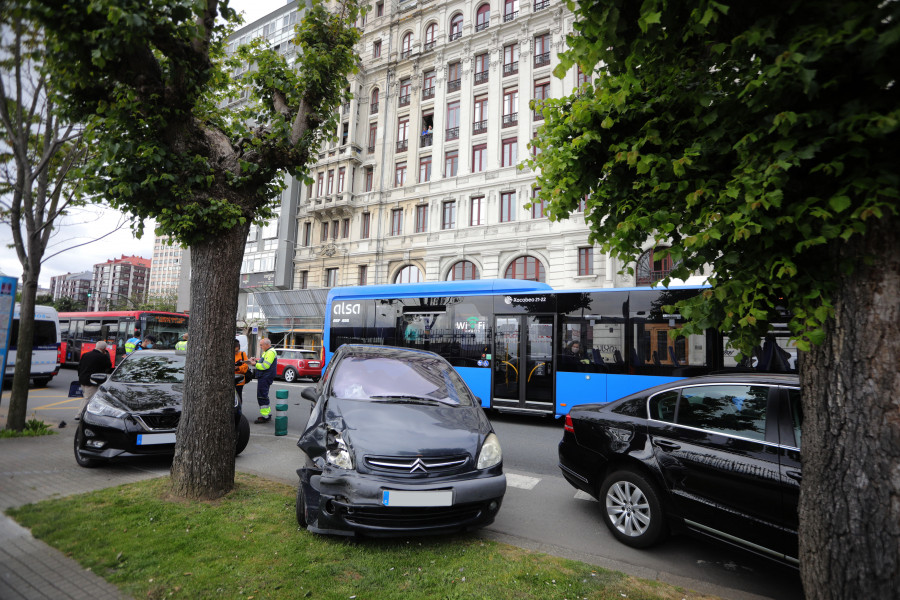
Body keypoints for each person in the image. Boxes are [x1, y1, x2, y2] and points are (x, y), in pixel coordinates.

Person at [77, 341, 113, 419]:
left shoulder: (85, 354)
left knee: (86, 397)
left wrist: (80, 377)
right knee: (88, 398)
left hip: (82, 380)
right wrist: (107, 356)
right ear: (104, 349)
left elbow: (79, 367)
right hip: (92, 381)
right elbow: (109, 366)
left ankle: (84, 413)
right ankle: (80, 414)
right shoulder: (102, 357)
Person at [249, 338, 278, 423]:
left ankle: (265, 416)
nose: (260, 347)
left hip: (265, 377)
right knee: (263, 395)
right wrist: (257, 361)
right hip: (265, 376)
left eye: (261, 345)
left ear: (267, 344)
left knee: (262, 396)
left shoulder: (270, 352)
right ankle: (267, 414)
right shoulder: (268, 352)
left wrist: (255, 364)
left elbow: (265, 366)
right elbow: (264, 362)